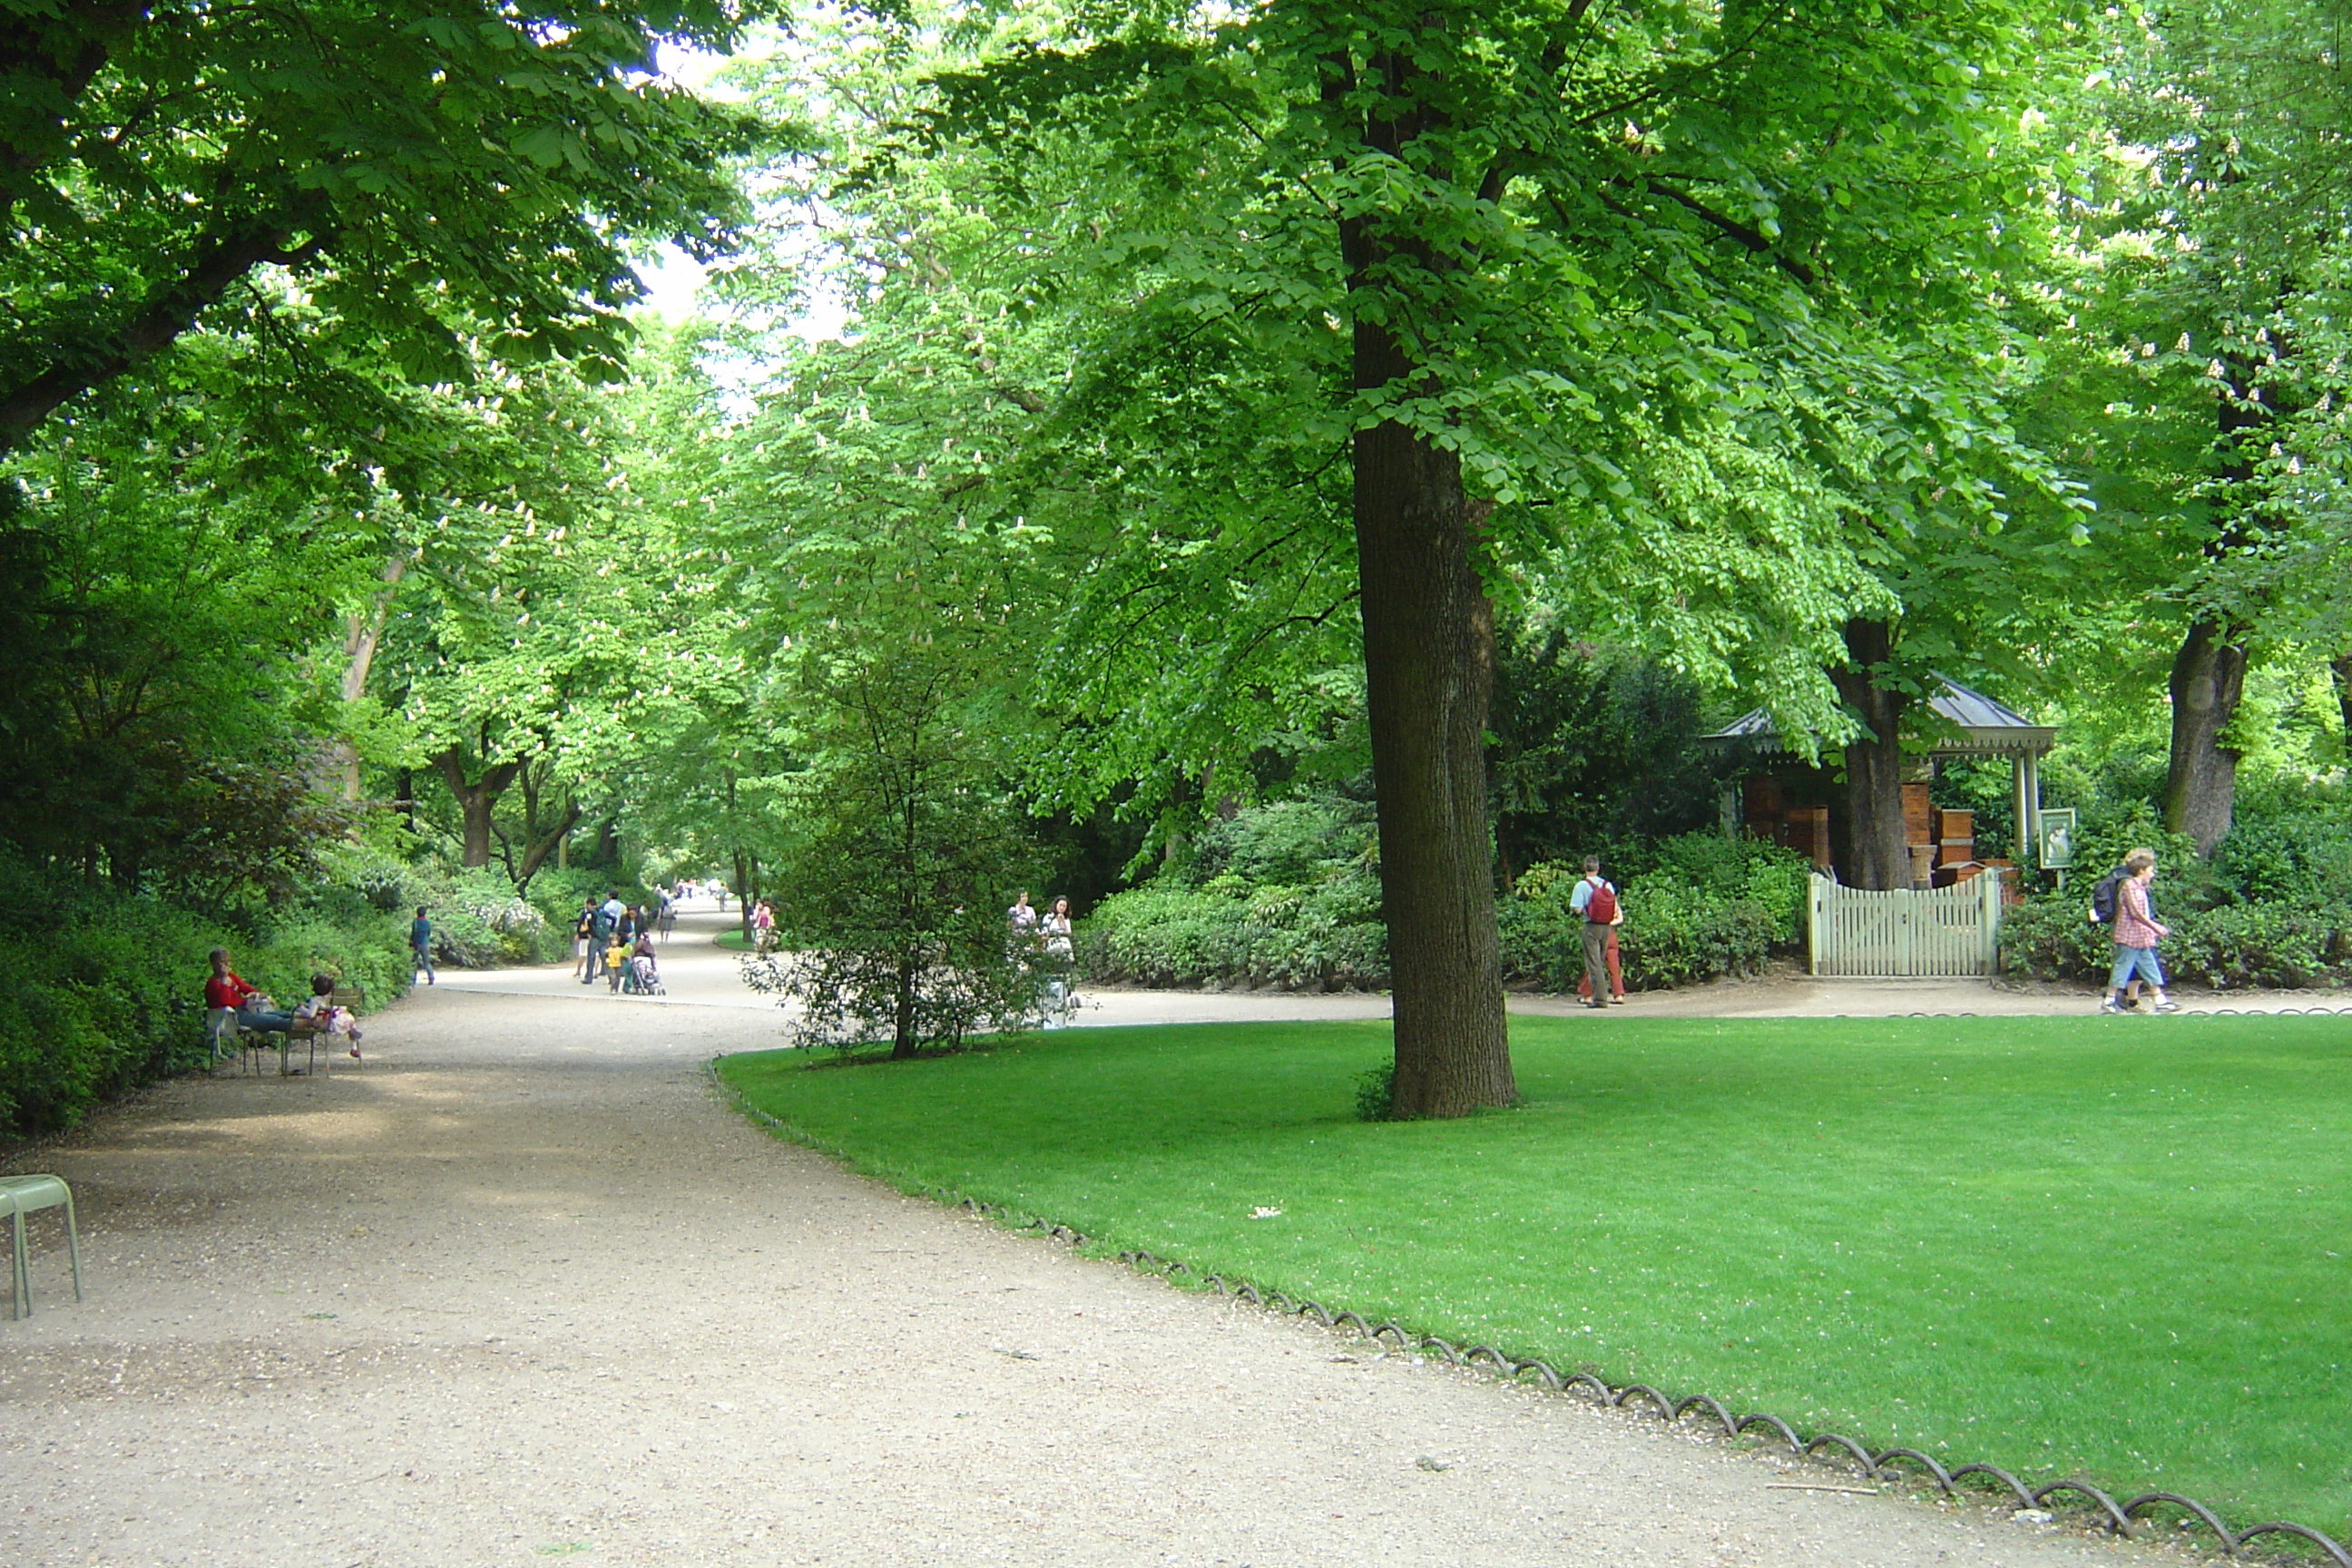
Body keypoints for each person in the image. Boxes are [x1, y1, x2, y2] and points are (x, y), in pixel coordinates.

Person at [2102, 848, 2180, 1014]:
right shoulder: (2130, 886)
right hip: (2129, 936)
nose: (2152, 874)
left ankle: (2160, 1000)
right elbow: (2135, 913)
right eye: (2150, 871)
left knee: (2149, 966)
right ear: (2141, 871)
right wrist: (2155, 926)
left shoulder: (2140, 887)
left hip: (2141, 937)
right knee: (2122, 967)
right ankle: (2109, 1000)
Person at [1568, 858, 1624, 1009]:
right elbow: (1614, 907)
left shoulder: (1581, 886)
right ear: (1598, 868)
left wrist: (1584, 909)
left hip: (1591, 926)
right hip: (1607, 927)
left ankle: (1599, 999)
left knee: (1594, 963)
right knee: (1604, 960)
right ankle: (1613, 993)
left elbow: (1577, 909)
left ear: (1584, 868)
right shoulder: (1607, 885)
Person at [204, 948, 293, 1035]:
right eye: (222, 962)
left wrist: (256, 995)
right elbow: (226, 1002)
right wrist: (224, 980)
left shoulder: (231, 977)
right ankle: (303, 1026)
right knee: (275, 1020)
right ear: (213, 964)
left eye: (228, 961)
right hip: (230, 1017)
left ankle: (306, 1015)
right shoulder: (213, 983)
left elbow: (246, 988)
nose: (227, 964)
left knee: (282, 1013)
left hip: (244, 1010)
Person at [296, 973, 362, 1060]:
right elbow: (342, 1007)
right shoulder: (336, 997)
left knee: (314, 1021)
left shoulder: (316, 1000)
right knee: (350, 1025)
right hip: (344, 1018)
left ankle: (351, 1032)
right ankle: (354, 1048)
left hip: (329, 1023)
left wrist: (301, 1008)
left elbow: (311, 1015)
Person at [571, 897, 598, 979]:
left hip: (586, 935)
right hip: (596, 936)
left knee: (582, 953)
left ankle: (578, 971)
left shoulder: (587, 912)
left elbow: (583, 923)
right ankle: (595, 971)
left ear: (589, 904)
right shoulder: (599, 911)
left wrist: (579, 933)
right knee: (596, 954)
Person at [409, 906, 436, 986]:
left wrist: (411, 941)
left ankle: (412, 980)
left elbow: (413, 933)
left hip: (416, 944)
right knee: (426, 963)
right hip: (425, 944)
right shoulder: (427, 922)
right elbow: (428, 933)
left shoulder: (415, 922)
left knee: (413, 962)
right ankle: (431, 978)